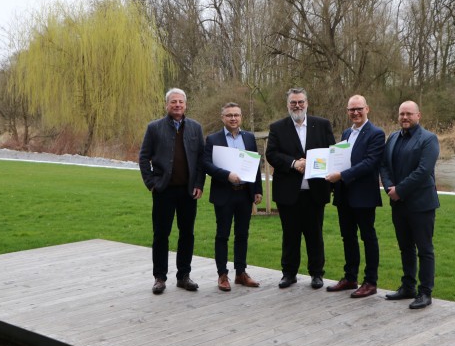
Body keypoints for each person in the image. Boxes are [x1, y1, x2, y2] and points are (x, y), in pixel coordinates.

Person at [266, 87, 335, 289]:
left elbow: (331, 152)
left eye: (301, 102)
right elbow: (271, 154)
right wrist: (293, 163)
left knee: (315, 235)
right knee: (290, 235)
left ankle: (316, 274)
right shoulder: (277, 127)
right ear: (287, 105)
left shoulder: (322, 125)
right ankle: (289, 273)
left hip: (315, 191)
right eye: (293, 102)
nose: (297, 106)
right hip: (289, 192)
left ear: (307, 103)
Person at [139, 88, 205, 295]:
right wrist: (152, 183)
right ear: (166, 104)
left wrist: (199, 184)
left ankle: (184, 276)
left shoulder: (195, 128)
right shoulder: (154, 128)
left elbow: (202, 160)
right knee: (161, 234)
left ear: (186, 105)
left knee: (187, 234)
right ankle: (159, 277)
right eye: (173, 102)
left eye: (181, 102)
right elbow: (143, 157)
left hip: (188, 191)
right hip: (163, 190)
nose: (177, 105)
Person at [380, 100, 440, 309]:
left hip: (421, 204)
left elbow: (423, 171)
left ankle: (425, 292)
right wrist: (389, 188)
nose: (404, 117)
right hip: (399, 204)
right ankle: (408, 287)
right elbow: (385, 165)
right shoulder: (394, 137)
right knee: (405, 248)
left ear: (418, 115)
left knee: (424, 249)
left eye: (409, 114)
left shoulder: (429, 139)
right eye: (401, 114)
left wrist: (400, 190)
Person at [324, 95, 385, 298]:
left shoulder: (376, 134)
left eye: (359, 108)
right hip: (344, 195)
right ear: (347, 111)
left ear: (367, 108)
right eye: (351, 110)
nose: (355, 113)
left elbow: (370, 163)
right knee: (347, 237)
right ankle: (350, 277)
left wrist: (341, 175)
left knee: (368, 237)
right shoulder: (346, 133)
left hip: (364, 195)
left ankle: (370, 281)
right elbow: (340, 159)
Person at [202, 102, 263, 292]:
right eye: (229, 115)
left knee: (242, 235)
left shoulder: (249, 138)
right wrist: (226, 175)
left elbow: (255, 164)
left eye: (236, 115)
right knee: (222, 235)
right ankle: (222, 275)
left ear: (241, 117)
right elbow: (206, 164)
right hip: (224, 194)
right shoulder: (213, 139)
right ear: (223, 118)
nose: (233, 118)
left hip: (244, 194)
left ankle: (241, 273)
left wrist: (257, 190)